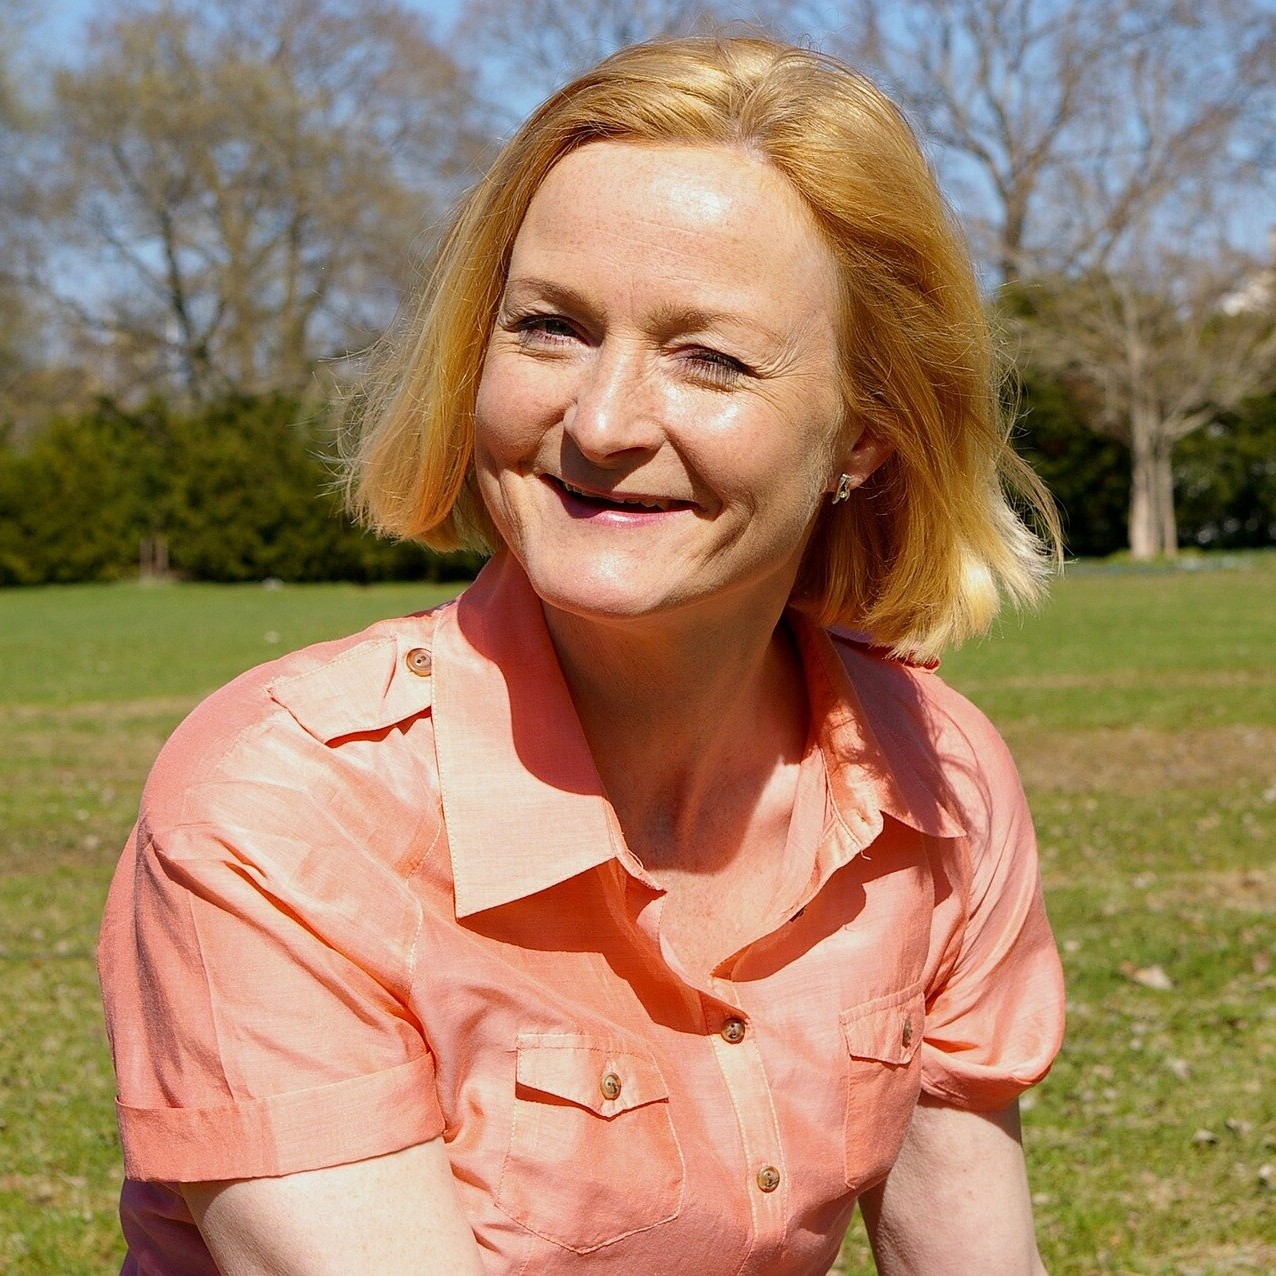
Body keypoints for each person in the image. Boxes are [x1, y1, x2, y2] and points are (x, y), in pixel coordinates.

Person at [99, 34, 1066, 1276]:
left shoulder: (936, 780)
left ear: (866, 431)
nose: (602, 423)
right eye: (549, 328)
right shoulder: (285, 807)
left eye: (709, 358)